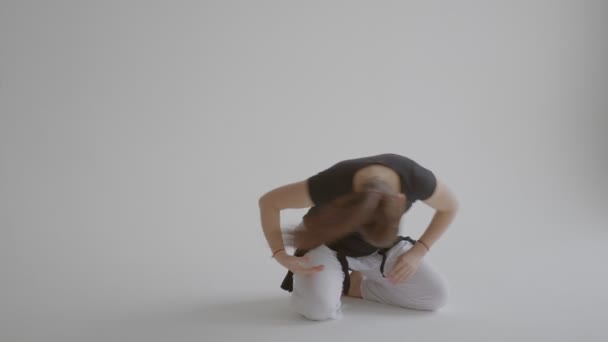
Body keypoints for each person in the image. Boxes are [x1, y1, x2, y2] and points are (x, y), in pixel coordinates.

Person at [258, 153, 459, 321]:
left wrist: (418, 251)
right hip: (328, 246)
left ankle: (356, 287)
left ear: (400, 199)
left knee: (435, 296)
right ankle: (338, 282)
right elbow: (269, 202)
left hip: (380, 249)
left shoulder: (414, 178)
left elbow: (450, 207)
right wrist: (280, 254)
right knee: (317, 309)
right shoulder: (333, 182)